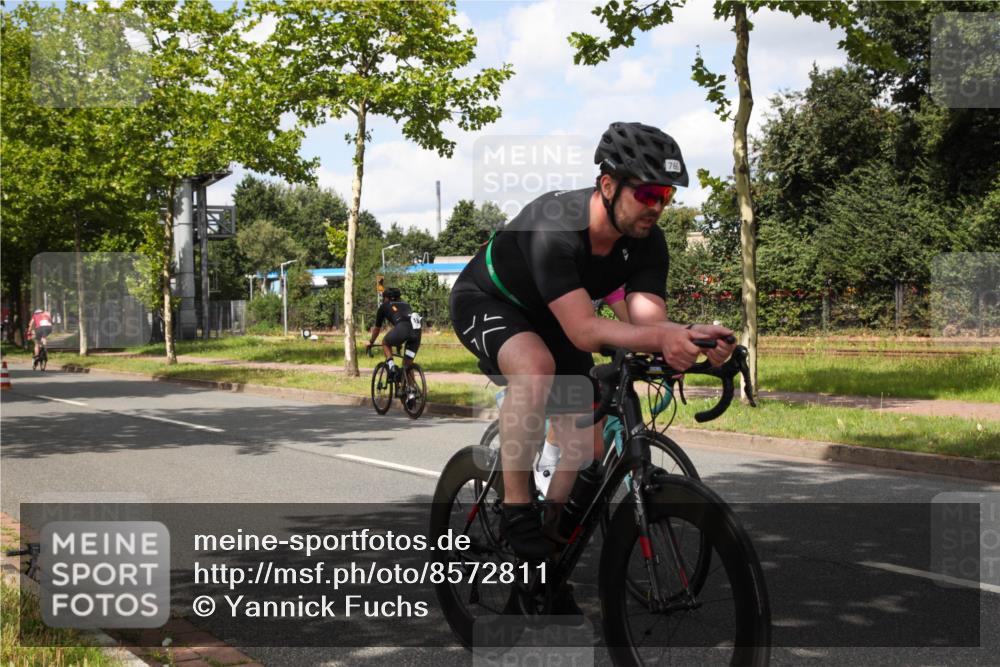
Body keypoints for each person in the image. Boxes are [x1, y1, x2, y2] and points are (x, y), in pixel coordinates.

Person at [450, 122, 735, 562]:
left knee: (592, 441)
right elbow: (584, 330)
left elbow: (647, 321)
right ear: (607, 184)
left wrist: (692, 339)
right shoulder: (555, 226)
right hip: (490, 301)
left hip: (557, 316)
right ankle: (517, 510)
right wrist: (662, 337)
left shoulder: (647, 242)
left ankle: (551, 543)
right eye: (647, 194)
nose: (657, 207)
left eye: (666, 196)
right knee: (535, 367)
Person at [365, 288, 423, 384]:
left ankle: (391, 367)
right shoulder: (406, 304)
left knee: (385, 342)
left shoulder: (384, 306)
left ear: (386, 298)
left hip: (403, 329)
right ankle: (411, 391)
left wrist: (371, 342)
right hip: (416, 332)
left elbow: (377, 329)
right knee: (407, 364)